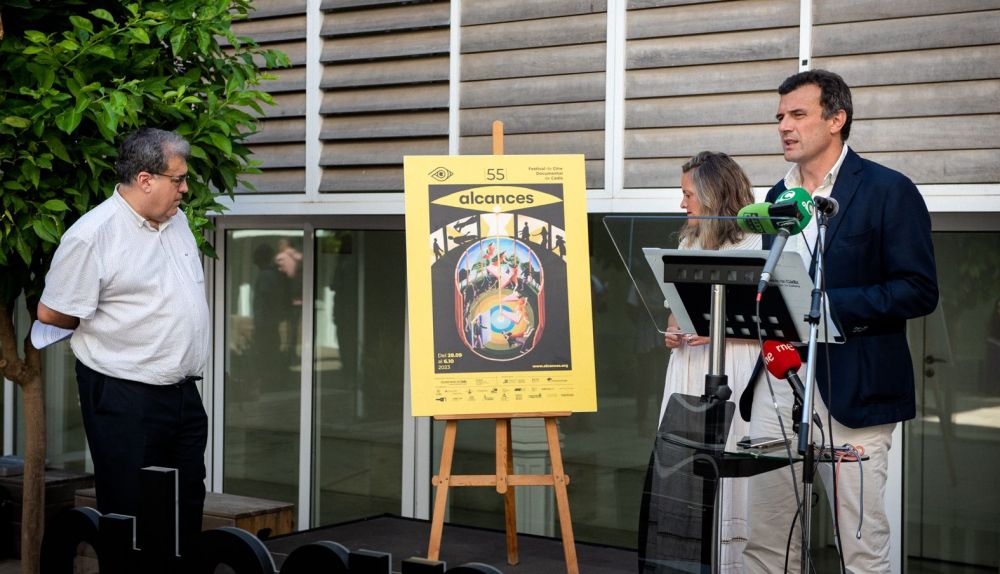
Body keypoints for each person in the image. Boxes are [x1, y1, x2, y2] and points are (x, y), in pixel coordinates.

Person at [741, 70, 938, 572]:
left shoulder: (888, 190)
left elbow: (919, 289)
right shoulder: (777, 196)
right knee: (767, 540)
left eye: (797, 114)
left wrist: (825, 305)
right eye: (780, 117)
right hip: (780, 384)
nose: (784, 126)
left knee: (860, 547)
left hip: (855, 391)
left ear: (836, 120)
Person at [36, 128, 209, 562]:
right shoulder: (92, 235)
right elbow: (52, 312)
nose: (185, 189)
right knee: (130, 517)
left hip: (182, 394)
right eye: (178, 179)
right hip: (123, 394)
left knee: (186, 504)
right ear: (146, 179)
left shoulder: (177, 221)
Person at [659, 151, 760, 572]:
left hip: (734, 366)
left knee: (728, 463)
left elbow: (775, 323)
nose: (682, 203)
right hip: (688, 365)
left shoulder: (755, 244)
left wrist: (720, 331)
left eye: (688, 194)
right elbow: (676, 310)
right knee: (685, 467)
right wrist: (673, 331)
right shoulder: (688, 242)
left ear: (713, 194)